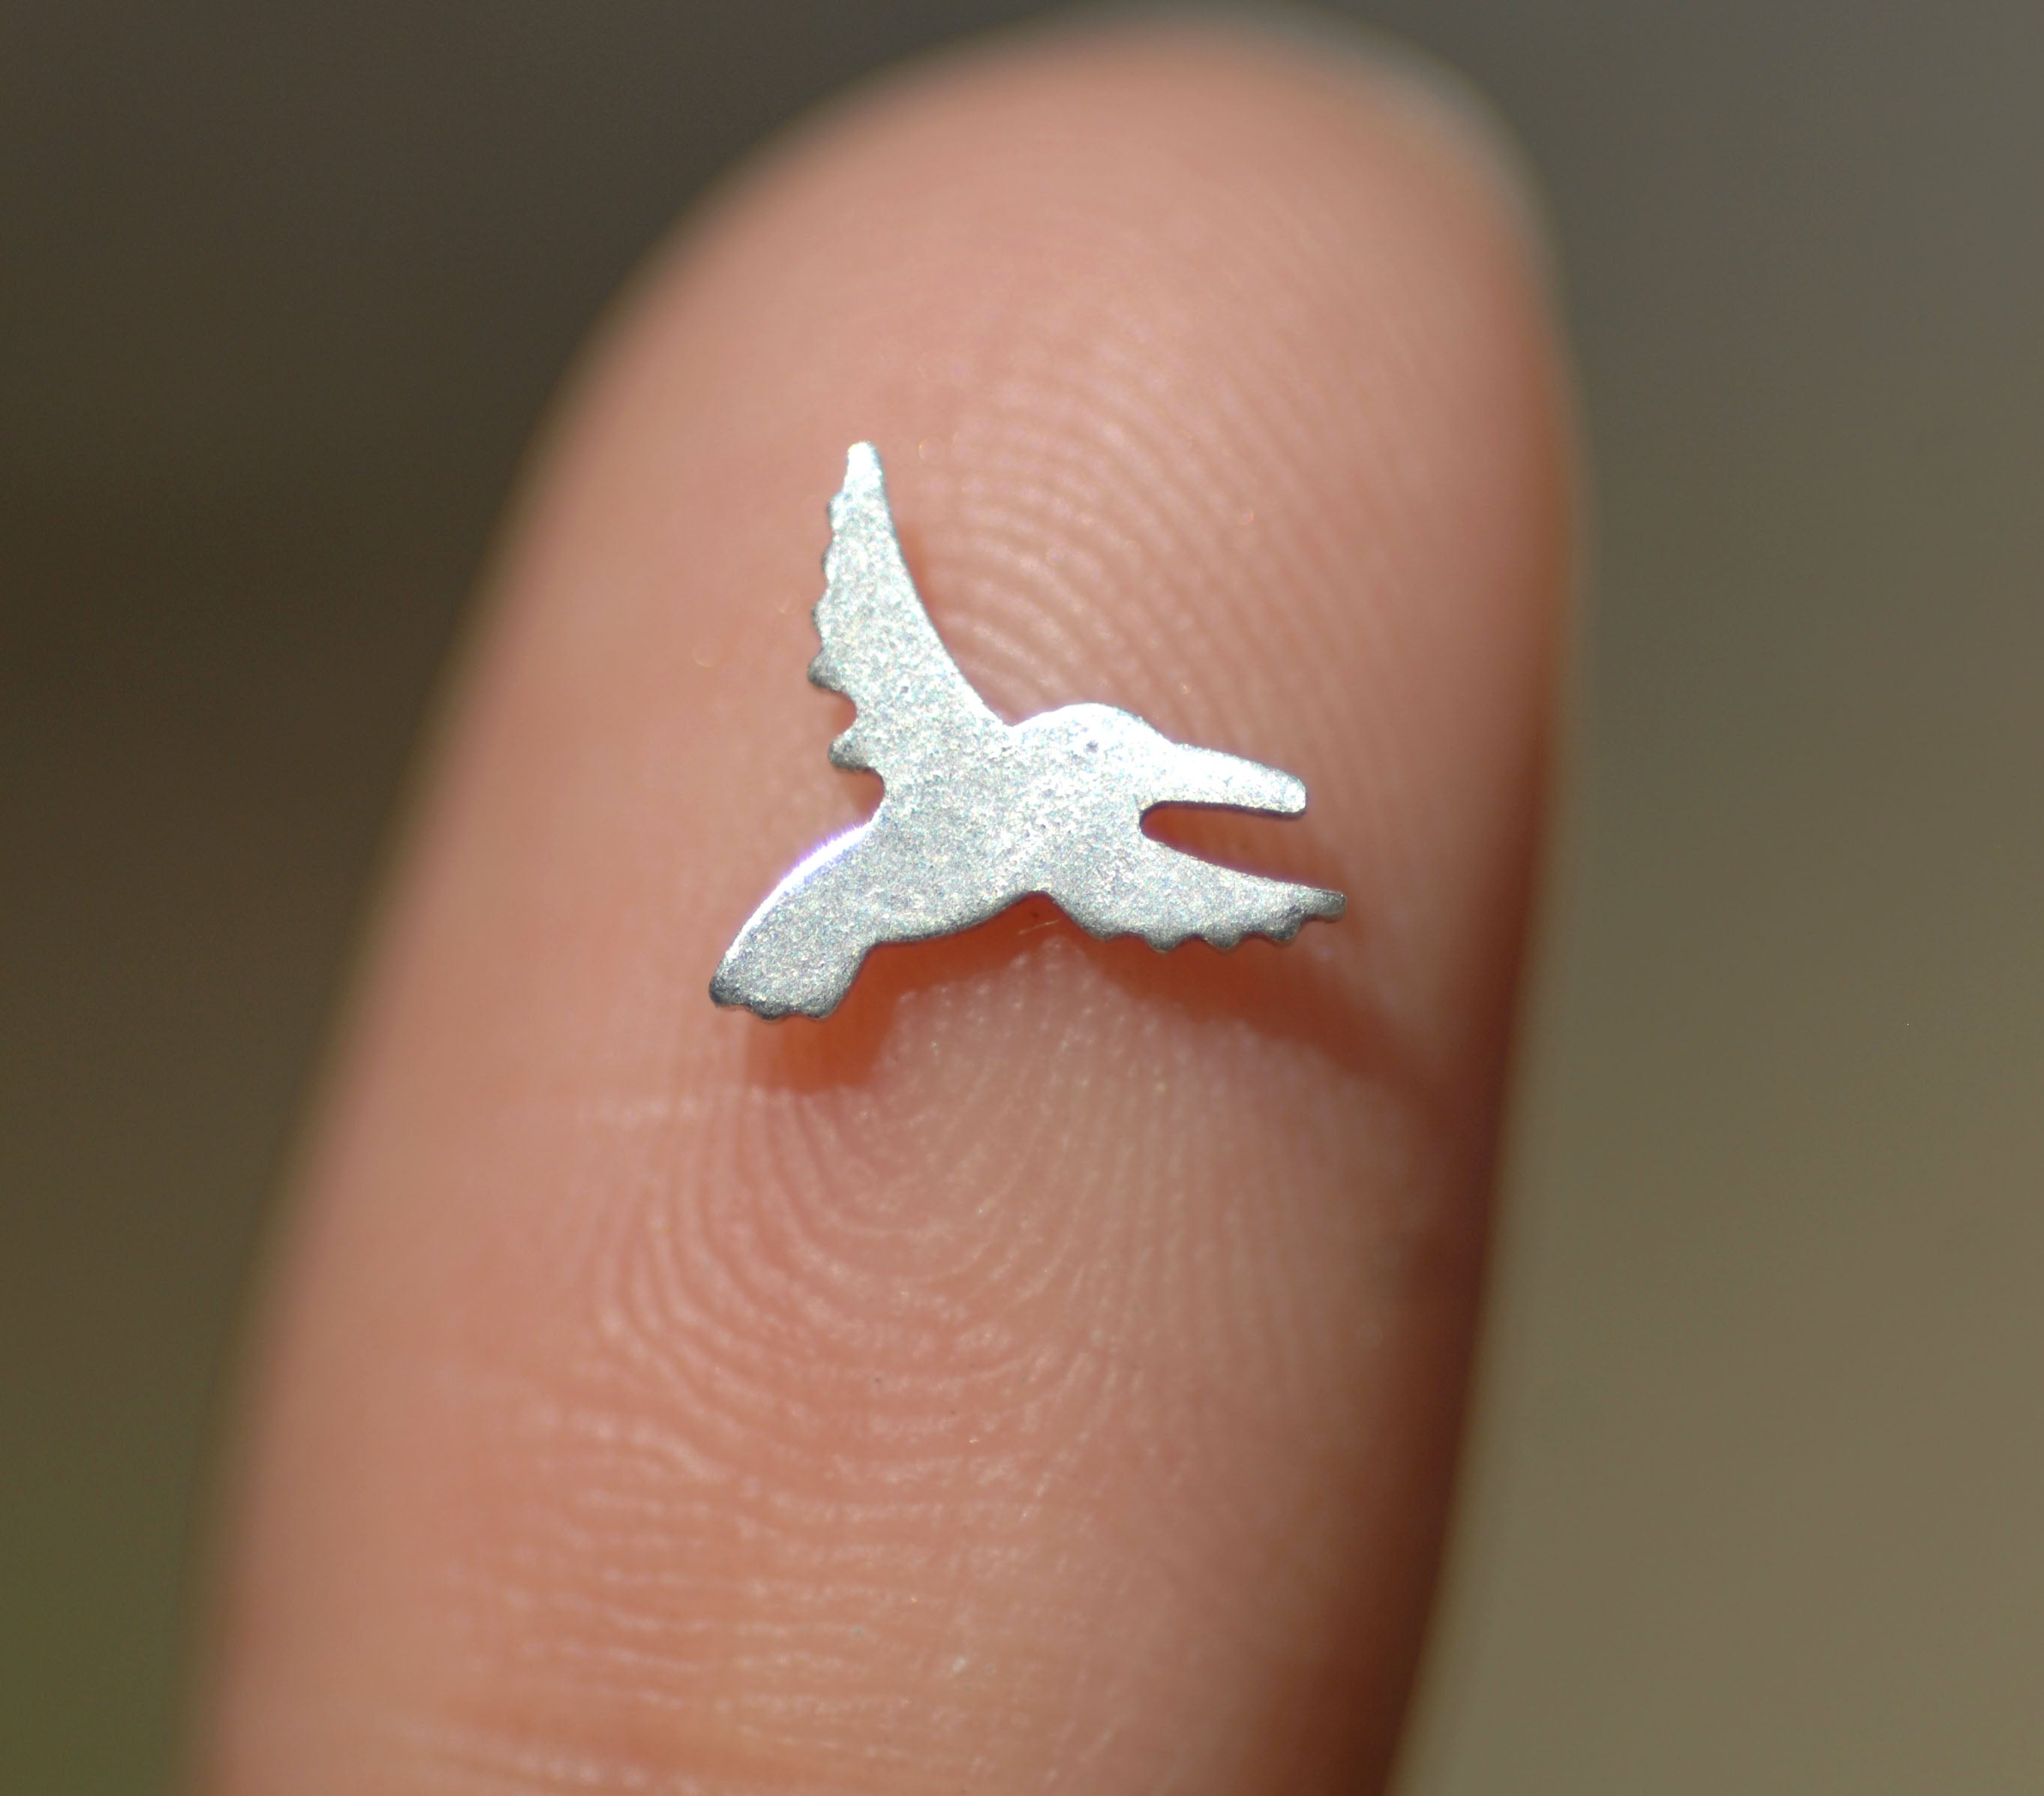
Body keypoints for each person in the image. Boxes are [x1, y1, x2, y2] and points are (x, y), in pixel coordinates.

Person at [197, 18, 1571, 1793]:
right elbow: (895, 632)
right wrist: (868, 528)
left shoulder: (1068, 854)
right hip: (827, 923)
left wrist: (1269, 887)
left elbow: (1172, 884)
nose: (1136, 774)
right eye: (1118, 758)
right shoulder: (971, 762)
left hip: (858, 928)